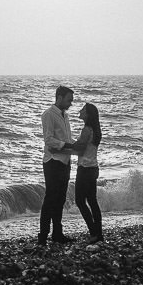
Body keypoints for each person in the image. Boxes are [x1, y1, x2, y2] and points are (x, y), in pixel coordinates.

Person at [38, 85, 78, 245]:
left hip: (65, 161)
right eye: (69, 100)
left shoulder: (65, 116)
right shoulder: (48, 114)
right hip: (53, 161)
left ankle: (57, 233)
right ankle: (43, 235)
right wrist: (67, 145)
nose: (70, 103)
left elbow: (66, 138)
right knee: (50, 198)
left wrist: (75, 145)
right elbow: (48, 139)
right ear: (59, 97)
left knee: (60, 198)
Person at [74, 102, 103, 243]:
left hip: (85, 169)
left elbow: (80, 150)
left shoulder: (86, 130)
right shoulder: (96, 130)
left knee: (80, 201)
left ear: (88, 114)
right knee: (92, 201)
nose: (80, 111)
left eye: (83, 110)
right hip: (94, 168)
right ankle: (99, 234)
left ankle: (93, 233)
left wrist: (62, 148)